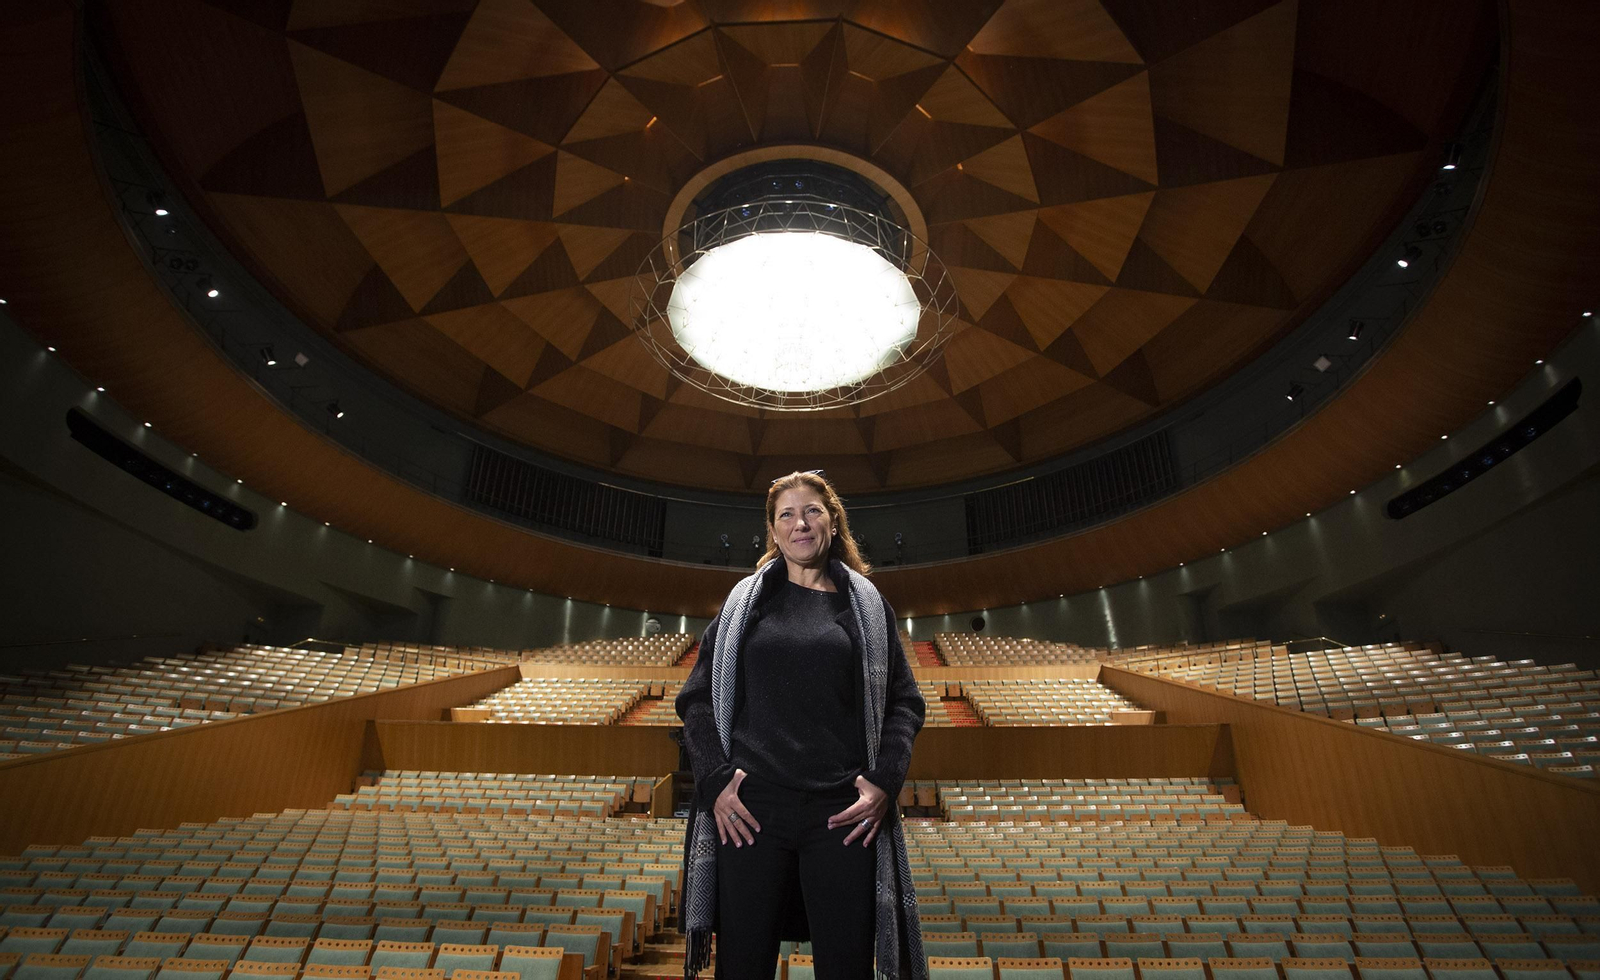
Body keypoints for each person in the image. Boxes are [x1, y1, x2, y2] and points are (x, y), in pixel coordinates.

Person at [675, 470, 927, 980]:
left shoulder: (868, 607)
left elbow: (905, 703)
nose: (800, 523)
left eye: (812, 510)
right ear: (773, 530)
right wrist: (716, 781)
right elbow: (696, 698)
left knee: (845, 967)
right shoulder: (744, 603)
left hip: (843, 814)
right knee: (742, 967)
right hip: (750, 812)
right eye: (786, 514)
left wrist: (885, 782)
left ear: (833, 521)